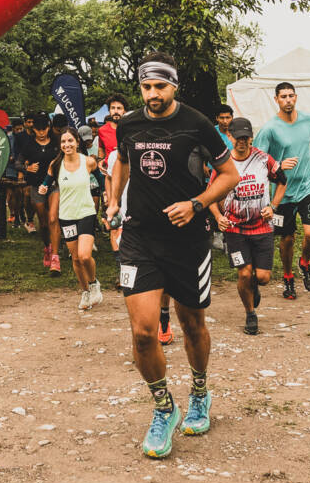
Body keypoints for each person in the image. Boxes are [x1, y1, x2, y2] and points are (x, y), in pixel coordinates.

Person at [106, 53, 237, 459]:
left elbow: (229, 174)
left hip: (188, 240)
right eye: (146, 87)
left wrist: (197, 204)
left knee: (191, 324)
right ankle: (163, 406)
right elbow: (122, 164)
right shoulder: (128, 123)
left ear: (174, 86)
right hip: (140, 238)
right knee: (144, 332)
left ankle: (199, 391)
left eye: (160, 87)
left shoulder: (197, 124)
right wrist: (113, 201)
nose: (152, 95)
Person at [254, 82, 310, 300]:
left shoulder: (308, 120)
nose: (287, 100)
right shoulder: (269, 129)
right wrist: (277, 164)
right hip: (282, 192)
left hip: (308, 186)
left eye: (291, 96)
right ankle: (287, 277)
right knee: (287, 240)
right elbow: (257, 161)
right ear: (275, 99)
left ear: (296, 97)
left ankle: (304, 263)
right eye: (283, 96)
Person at [208, 117, 278, 335]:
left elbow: (282, 180)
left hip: (262, 227)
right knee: (244, 274)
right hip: (235, 229)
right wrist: (218, 216)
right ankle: (250, 313)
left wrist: (273, 206)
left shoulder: (263, 159)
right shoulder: (223, 164)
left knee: (263, 277)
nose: (242, 141)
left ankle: (254, 287)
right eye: (238, 137)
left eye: (246, 137)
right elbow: (210, 195)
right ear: (230, 137)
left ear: (251, 137)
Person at [49, 126, 102, 309]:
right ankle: (85, 292)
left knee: (85, 255)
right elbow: (47, 180)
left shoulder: (88, 162)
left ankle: (94, 284)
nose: (67, 144)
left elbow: (101, 180)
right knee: (76, 259)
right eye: (63, 141)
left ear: (77, 142)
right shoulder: (56, 165)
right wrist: (42, 187)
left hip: (86, 213)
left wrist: (108, 195)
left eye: (70, 140)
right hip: (67, 216)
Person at [16, 111, 61, 274]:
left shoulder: (56, 142)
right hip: (36, 186)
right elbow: (18, 162)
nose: (41, 133)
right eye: (38, 129)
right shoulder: (29, 145)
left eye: (44, 129)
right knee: (43, 222)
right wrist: (26, 168)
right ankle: (47, 247)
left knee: (53, 218)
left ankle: (56, 257)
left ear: (49, 128)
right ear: (33, 129)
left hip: (54, 185)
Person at [96, 94, 128, 160]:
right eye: (113, 108)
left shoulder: (132, 129)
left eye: (119, 108)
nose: (116, 111)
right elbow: (101, 148)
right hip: (109, 169)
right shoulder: (102, 130)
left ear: (124, 111)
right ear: (109, 111)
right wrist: (100, 161)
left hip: (127, 168)